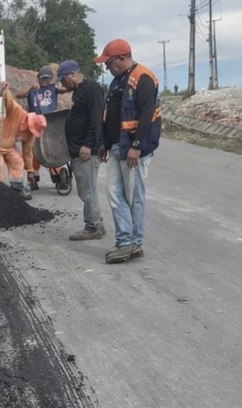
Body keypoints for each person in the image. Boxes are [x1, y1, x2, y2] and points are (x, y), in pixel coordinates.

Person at [95, 39, 162, 264]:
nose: (107, 67)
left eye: (109, 63)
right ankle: (126, 241)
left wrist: (137, 146)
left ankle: (134, 243)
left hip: (133, 148)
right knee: (114, 194)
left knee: (134, 196)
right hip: (116, 146)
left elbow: (147, 113)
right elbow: (110, 115)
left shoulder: (142, 77)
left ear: (122, 58)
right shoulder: (117, 81)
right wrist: (105, 143)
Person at [56, 59, 106, 240]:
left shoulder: (91, 89)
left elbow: (96, 119)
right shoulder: (80, 91)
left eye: (64, 79)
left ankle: (93, 226)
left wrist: (87, 144)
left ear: (73, 74)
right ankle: (97, 223)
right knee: (87, 189)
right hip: (79, 149)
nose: (63, 84)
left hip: (86, 150)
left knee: (87, 190)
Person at [0, 82, 47, 200]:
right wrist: (6, 90)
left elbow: (27, 152)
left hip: (9, 147)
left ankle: (17, 189)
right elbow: (10, 102)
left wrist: (30, 171)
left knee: (17, 161)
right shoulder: (17, 112)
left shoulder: (30, 135)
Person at [15, 65, 69, 191]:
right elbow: (19, 95)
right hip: (35, 124)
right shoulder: (34, 90)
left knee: (53, 150)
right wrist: (30, 89)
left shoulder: (53, 88)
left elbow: (64, 90)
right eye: (43, 78)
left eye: (47, 78)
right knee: (35, 151)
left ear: (51, 78)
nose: (45, 81)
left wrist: (66, 87)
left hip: (51, 123)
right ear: (38, 77)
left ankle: (58, 174)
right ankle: (34, 178)